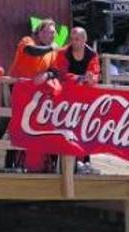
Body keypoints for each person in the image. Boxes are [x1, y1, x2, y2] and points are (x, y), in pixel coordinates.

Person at [0, 19, 59, 171]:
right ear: (40, 32)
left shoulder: (52, 52)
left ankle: (10, 164)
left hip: (32, 91)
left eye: (54, 33)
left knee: (21, 124)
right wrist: (50, 48)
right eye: (49, 32)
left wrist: (48, 74)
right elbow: (31, 51)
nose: (52, 36)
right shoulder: (27, 41)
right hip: (14, 86)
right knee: (6, 121)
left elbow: (56, 71)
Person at [56, 27, 101, 175]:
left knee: (85, 129)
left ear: (84, 39)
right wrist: (80, 78)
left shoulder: (92, 54)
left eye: (77, 39)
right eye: (72, 39)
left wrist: (91, 78)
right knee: (66, 130)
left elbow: (94, 73)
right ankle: (64, 165)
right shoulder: (63, 52)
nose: (73, 42)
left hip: (84, 99)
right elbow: (61, 74)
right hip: (65, 99)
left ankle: (85, 162)